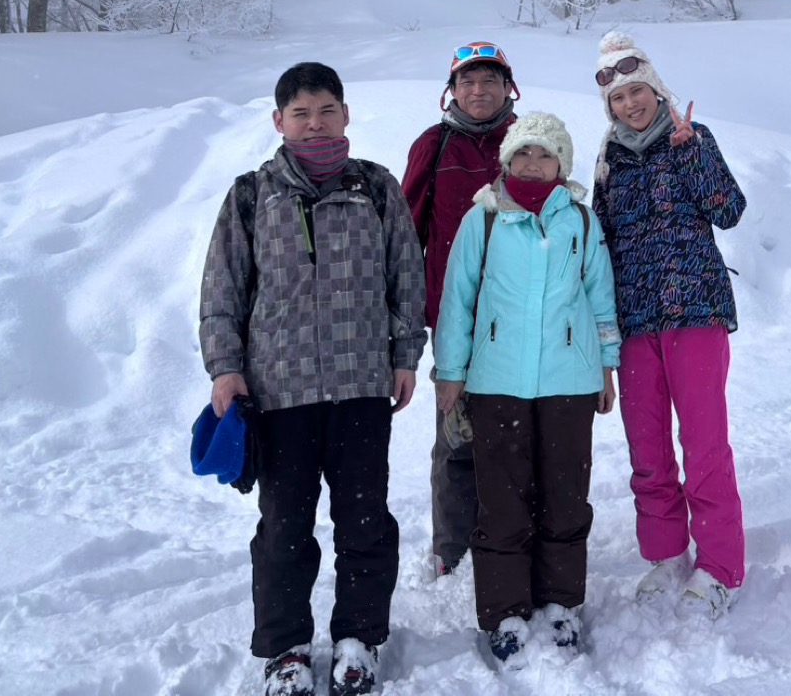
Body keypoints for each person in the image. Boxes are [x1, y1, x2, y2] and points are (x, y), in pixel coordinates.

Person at [200, 62, 426, 696]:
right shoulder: (251, 195)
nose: (315, 122)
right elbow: (222, 290)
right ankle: (287, 649)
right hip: (280, 394)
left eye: (326, 109)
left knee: (365, 521)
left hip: (360, 387)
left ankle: (359, 638)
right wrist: (226, 369)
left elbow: (406, 279)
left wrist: (406, 355)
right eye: (300, 113)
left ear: (346, 115)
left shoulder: (377, 189)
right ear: (279, 122)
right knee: (284, 529)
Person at [432, 112, 619, 671]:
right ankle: (506, 611)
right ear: (507, 160)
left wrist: (606, 364)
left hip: (569, 381)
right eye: (524, 153)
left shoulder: (581, 223)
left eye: (546, 154)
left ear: (562, 165)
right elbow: (457, 300)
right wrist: (450, 370)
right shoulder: (483, 221)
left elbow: (600, 297)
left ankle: (560, 603)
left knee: (565, 496)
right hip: (497, 383)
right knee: (503, 500)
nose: (533, 163)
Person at [590, 31, 748, 620]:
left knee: (704, 444)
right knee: (648, 449)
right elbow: (602, 243)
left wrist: (692, 153)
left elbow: (728, 211)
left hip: (696, 312)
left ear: (655, 88)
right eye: (617, 99)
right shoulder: (609, 162)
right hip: (635, 322)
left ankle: (720, 566)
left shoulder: (691, 140)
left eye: (637, 91)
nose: (630, 104)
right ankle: (665, 554)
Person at [400, 42, 519, 577]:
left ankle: (514, 532)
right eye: (468, 81)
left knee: (519, 433)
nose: (478, 91)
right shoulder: (434, 143)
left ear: (506, 88)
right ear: (452, 90)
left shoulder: (527, 142)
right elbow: (407, 230)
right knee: (455, 438)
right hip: (456, 318)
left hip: (522, 314)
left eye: (488, 80)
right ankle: (452, 549)